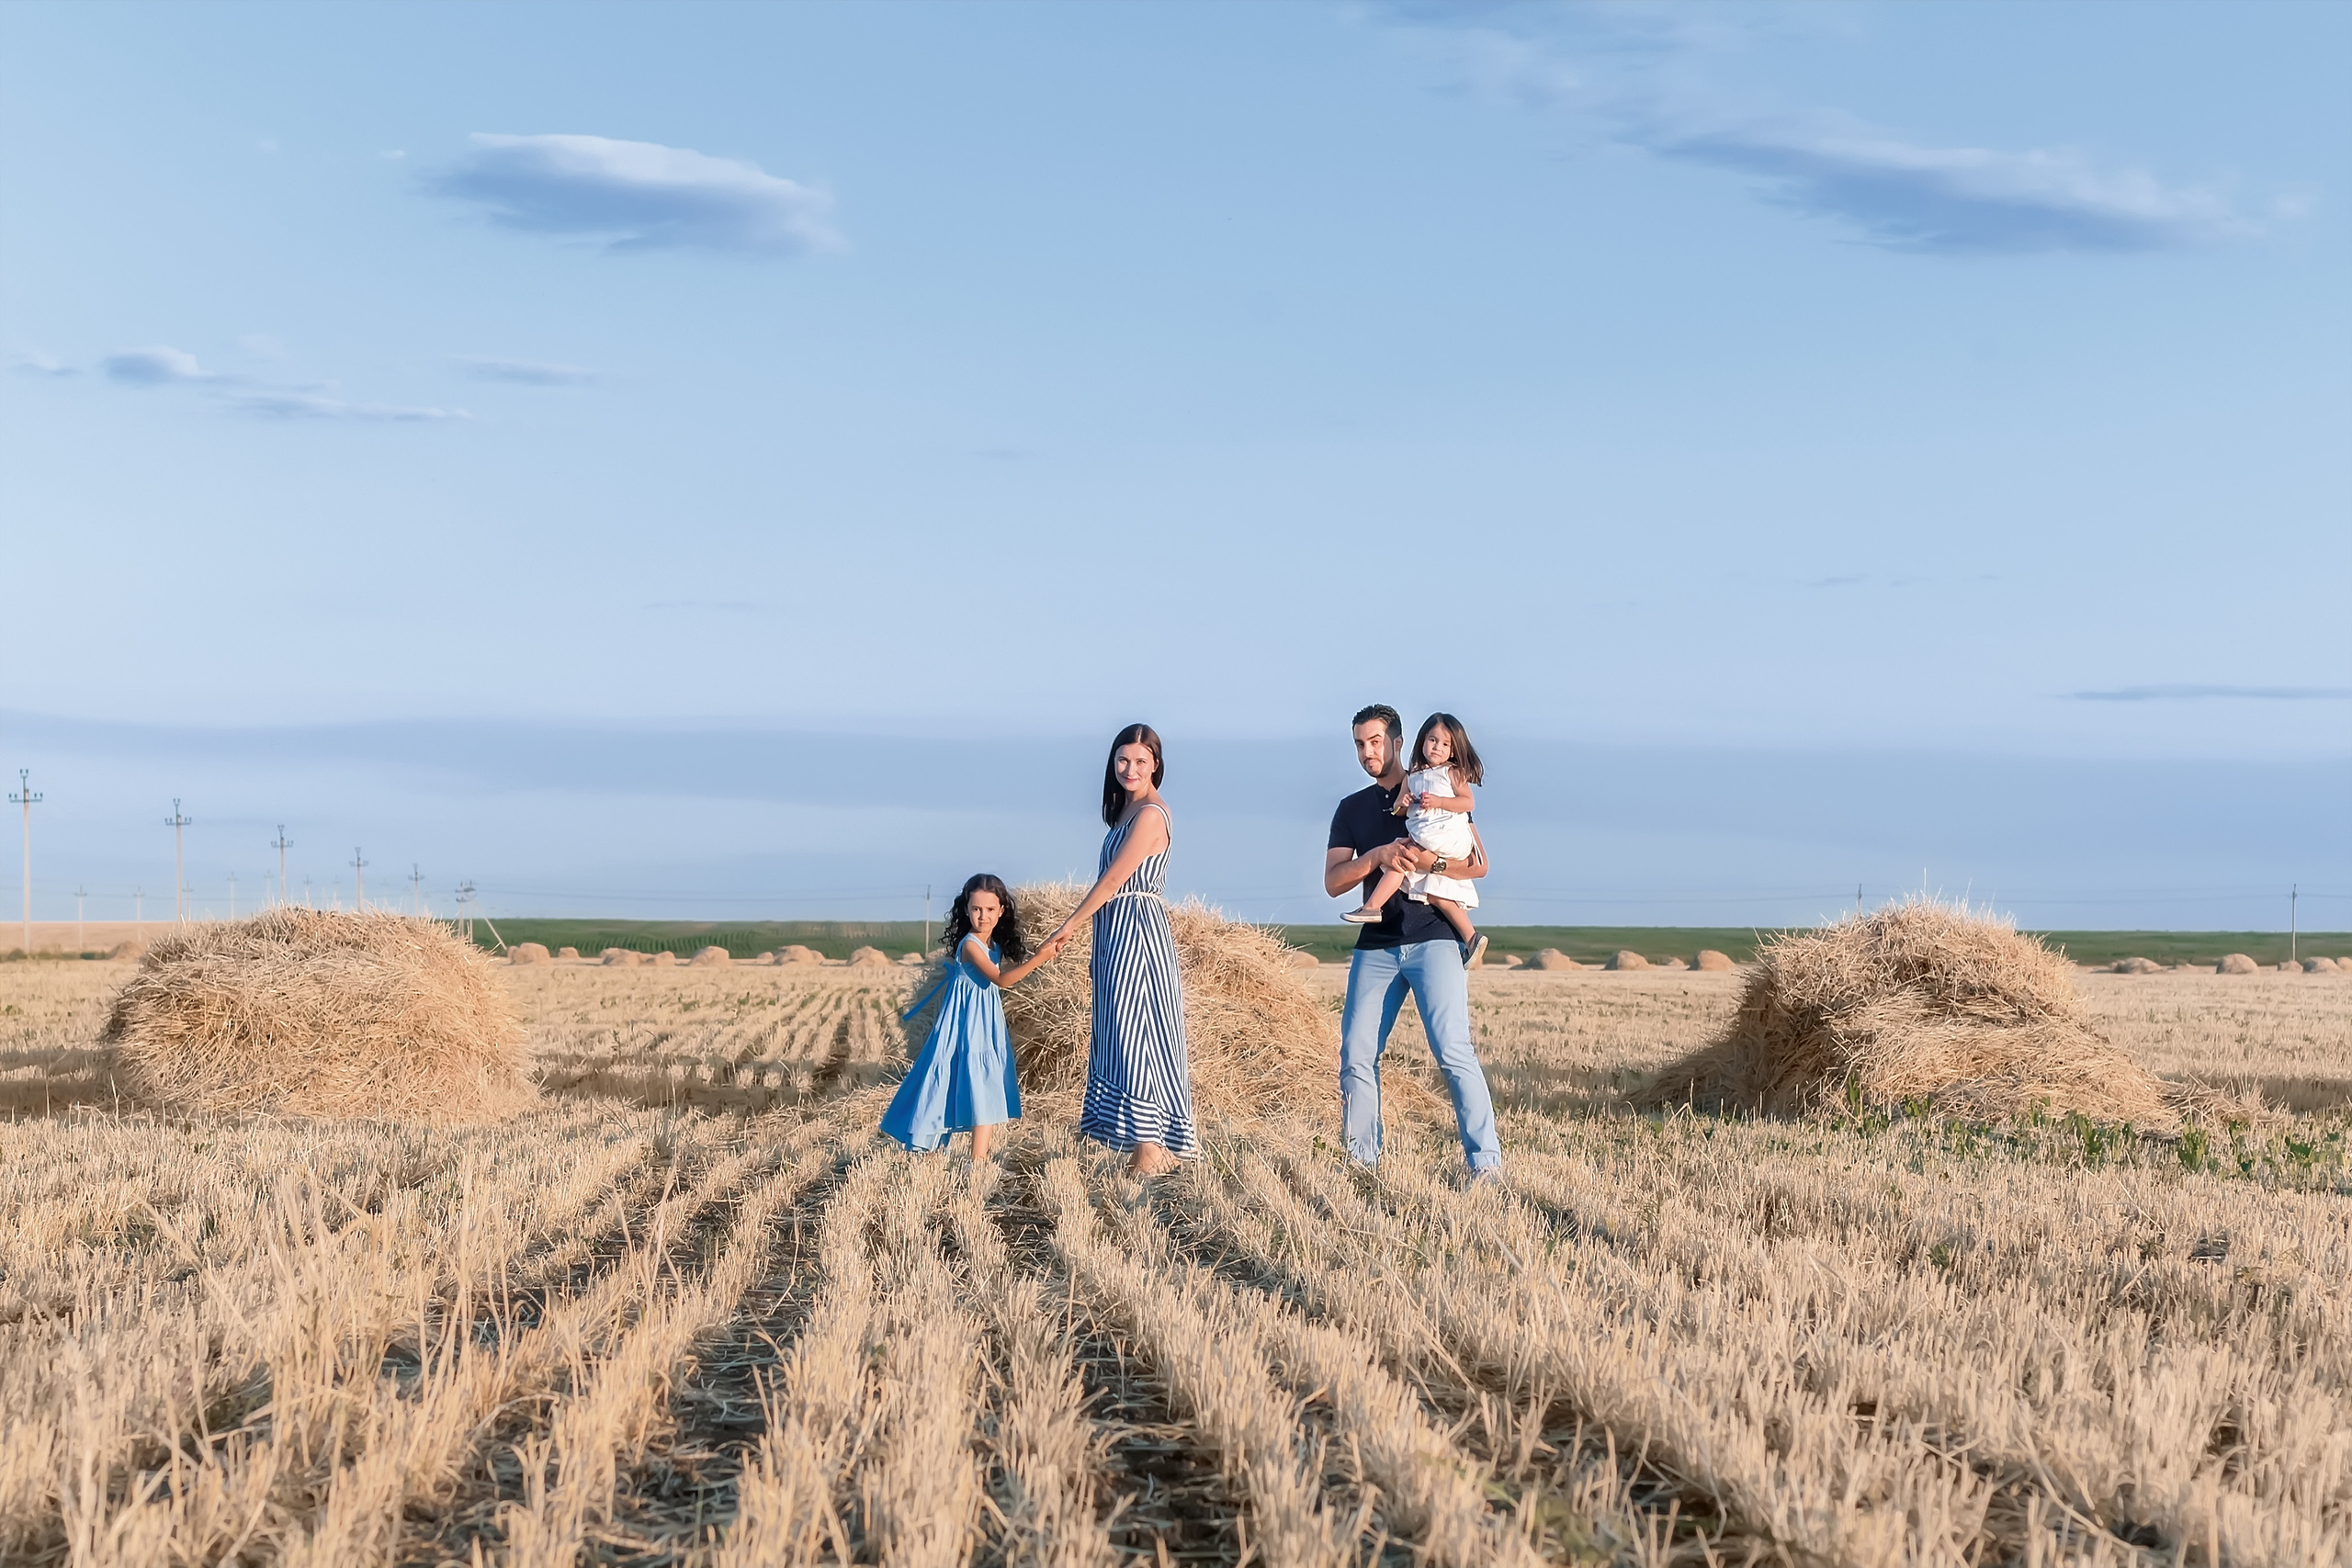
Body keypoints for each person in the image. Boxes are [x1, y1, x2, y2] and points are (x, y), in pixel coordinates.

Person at [1325, 704, 1502, 1180]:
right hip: (1376, 944)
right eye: (1360, 744)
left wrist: (1432, 865)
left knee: (1453, 1052)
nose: (1367, 752)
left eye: (1376, 742)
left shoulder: (1437, 783)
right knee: (1356, 1055)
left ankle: (1486, 1167)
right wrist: (1378, 855)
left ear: (1398, 743)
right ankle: (1361, 1164)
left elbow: (1479, 864)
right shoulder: (1351, 809)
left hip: (1434, 938)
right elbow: (1334, 881)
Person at [1038, 722, 1194, 1176]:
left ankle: (1151, 1148)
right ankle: (1144, 1145)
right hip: (1115, 930)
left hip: (1138, 930)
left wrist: (1068, 925)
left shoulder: (1150, 815)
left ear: (1156, 765)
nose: (1130, 769)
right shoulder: (1126, 812)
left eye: (1141, 761)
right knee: (1118, 1033)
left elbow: (1112, 881)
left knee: (1138, 1033)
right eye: (1123, 760)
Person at [881, 874, 1057, 1163]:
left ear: (1001, 911)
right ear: (966, 909)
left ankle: (979, 1159)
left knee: (985, 1080)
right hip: (963, 1022)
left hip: (986, 1021)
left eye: (990, 909)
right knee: (949, 1078)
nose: (983, 916)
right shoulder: (971, 945)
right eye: (976, 909)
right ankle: (929, 1149)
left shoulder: (993, 945)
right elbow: (1001, 979)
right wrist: (1040, 957)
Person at [1341, 711, 1488, 966]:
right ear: (1422, 741)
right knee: (1436, 891)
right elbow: (1398, 808)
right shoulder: (1413, 777)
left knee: (1400, 858)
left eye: (1445, 744)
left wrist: (1439, 802)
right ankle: (1471, 937)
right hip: (1427, 836)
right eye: (1432, 740)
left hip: (1443, 835)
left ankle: (1372, 906)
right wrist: (1404, 803)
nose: (1437, 747)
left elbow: (1468, 805)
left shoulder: (1452, 774)